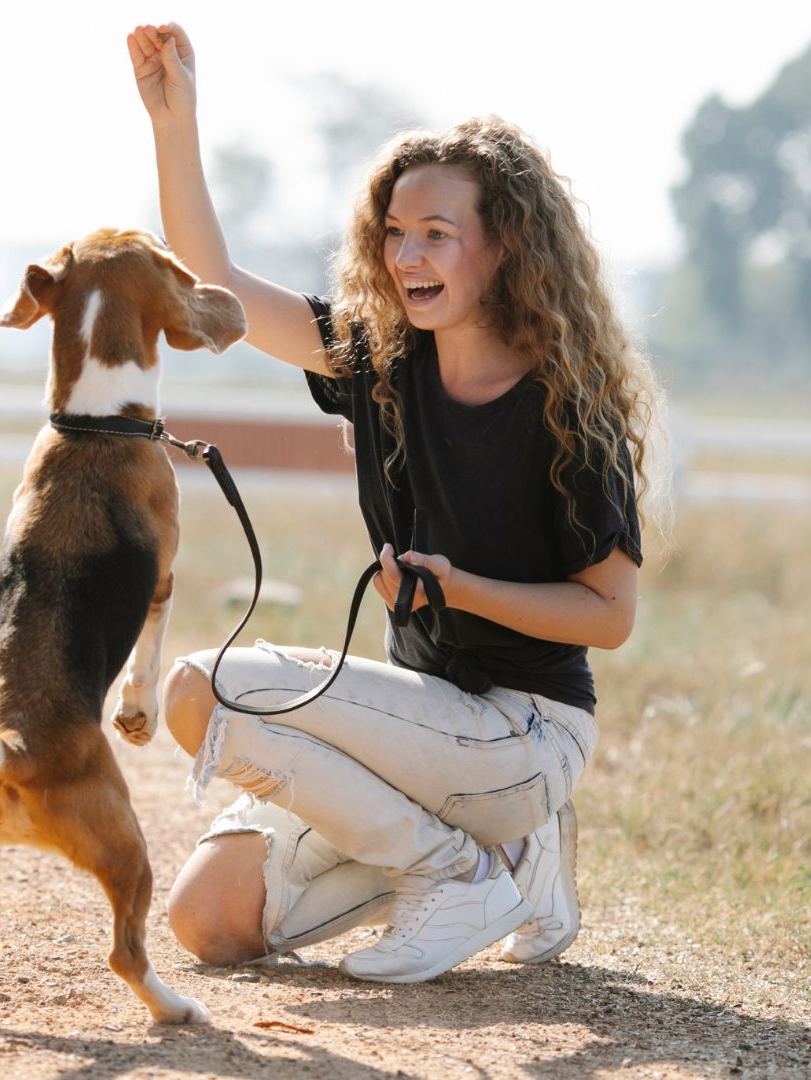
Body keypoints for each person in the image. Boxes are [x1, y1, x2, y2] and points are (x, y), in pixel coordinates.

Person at [127, 22, 662, 984]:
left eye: (438, 234)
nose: (407, 253)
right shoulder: (378, 361)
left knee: (198, 688)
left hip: (524, 732)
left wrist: (462, 587)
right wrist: (177, 125)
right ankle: (506, 864)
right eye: (395, 232)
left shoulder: (567, 408)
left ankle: (459, 869)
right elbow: (219, 288)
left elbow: (611, 617)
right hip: (419, 730)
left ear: (503, 250)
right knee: (208, 922)